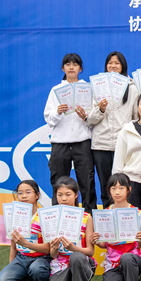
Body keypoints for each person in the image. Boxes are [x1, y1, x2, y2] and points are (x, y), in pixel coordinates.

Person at [44, 53, 96, 213]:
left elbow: (95, 116)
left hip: (82, 142)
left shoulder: (88, 88)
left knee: (87, 182)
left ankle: (89, 220)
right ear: (63, 68)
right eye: (68, 64)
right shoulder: (56, 90)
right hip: (60, 142)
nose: (71, 67)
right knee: (58, 183)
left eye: (75, 64)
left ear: (81, 68)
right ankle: (58, 219)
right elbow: (49, 119)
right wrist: (58, 111)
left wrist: (85, 116)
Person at [87, 51, 138, 208]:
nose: (113, 66)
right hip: (101, 144)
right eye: (110, 63)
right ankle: (107, 218)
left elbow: (136, 117)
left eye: (117, 63)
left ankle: (125, 217)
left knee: (123, 185)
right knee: (105, 185)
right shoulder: (97, 87)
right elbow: (90, 120)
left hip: (124, 144)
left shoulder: (133, 88)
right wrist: (100, 109)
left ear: (123, 66)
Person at [97, 173, 141, 281]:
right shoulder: (104, 214)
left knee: (126, 258)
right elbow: (104, 245)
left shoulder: (137, 213)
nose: (117, 192)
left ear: (128, 190)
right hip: (113, 263)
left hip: (133, 260)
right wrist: (97, 241)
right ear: (109, 191)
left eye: (121, 188)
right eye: (113, 188)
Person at [0, 180, 51, 281]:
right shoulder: (14, 216)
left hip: (42, 258)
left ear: (37, 195)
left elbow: (48, 249)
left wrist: (26, 243)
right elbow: (13, 246)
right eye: (20, 193)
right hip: (22, 258)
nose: (24, 196)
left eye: (28, 192)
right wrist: (12, 266)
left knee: (37, 268)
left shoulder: (44, 216)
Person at [47, 176, 96, 281]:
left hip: (82, 263)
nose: (63, 198)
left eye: (68, 194)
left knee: (76, 257)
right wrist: (54, 247)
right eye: (60, 195)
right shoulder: (52, 218)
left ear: (76, 194)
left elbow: (90, 251)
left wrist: (74, 249)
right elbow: (53, 255)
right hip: (60, 265)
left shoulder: (86, 217)